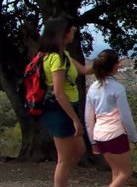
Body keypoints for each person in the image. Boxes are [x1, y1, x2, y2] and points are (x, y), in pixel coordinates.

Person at [38, 13, 92, 187]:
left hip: (67, 108)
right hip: (60, 110)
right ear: (63, 33)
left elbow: (84, 70)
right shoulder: (56, 58)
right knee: (64, 159)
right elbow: (59, 93)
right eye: (71, 29)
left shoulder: (64, 55)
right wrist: (75, 120)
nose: (74, 31)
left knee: (79, 150)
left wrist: (107, 63)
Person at [85, 49, 137, 187]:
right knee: (125, 172)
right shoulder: (118, 88)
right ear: (113, 66)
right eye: (118, 62)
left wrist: (93, 142)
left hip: (99, 135)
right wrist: (134, 138)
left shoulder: (92, 88)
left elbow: (88, 119)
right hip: (115, 135)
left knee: (116, 171)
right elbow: (126, 117)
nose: (120, 65)